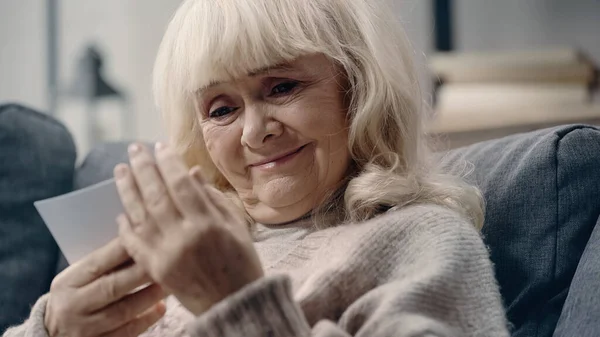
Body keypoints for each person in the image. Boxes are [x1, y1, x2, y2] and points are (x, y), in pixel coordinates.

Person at [5, 0, 510, 336]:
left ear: (357, 89)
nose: (253, 132)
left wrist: (237, 302)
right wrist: (49, 329)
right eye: (221, 109)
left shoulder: (419, 238)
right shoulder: (164, 247)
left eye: (282, 87)